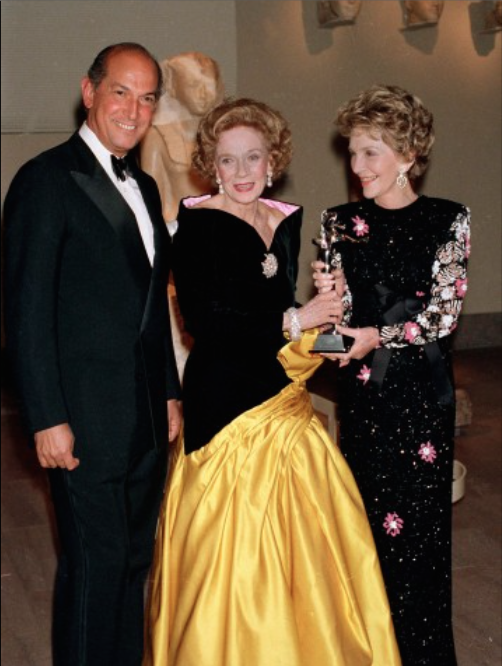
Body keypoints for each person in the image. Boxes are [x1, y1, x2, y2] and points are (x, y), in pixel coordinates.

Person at [142, 97, 402, 666]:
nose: (241, 172)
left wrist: (328, 318)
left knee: (310, 563)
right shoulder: (195, 227)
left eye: (252, 158)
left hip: (285, 403)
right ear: (211, 164)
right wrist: (296, 319)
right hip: (226, 412)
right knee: (234, 571)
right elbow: (206, 325)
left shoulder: (285, 219)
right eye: (228, 160)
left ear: (272, 161)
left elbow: (285, 318)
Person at [4, 43, 182, 666]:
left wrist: (168, 391)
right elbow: (25, 314)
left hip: (142, 417)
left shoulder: (148, 184)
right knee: (93, 568)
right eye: (121, 92)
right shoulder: (45, 180)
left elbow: (150, 305)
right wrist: (45, 416)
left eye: (148, 97)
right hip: (80, 417)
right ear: (89, 92)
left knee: (133, 563)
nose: (134, 110)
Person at [313, 84, 471, 665]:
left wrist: (377, 336)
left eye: (371, 152)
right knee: (365, 536)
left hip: (421, 403)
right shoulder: (337, 223)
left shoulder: (448, 219)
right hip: (365, 402)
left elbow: (444, 314)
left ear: (407, 155)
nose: (357, 167)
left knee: (423, 545)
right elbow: (339, 322)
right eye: (352, 153)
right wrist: (329, 312)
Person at [140, 52, 225, 225]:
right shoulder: (156, 136)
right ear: (174, 87)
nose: (203, 94)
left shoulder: (225, 135)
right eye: (193, 85)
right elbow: (153, 202)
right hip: (176, 230)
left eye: (209, 85)